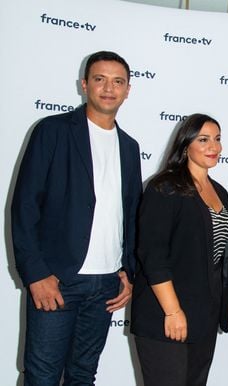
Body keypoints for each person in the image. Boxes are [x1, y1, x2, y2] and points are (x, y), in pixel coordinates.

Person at [11, 51, 142, 385]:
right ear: (85, 85)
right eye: (100, 79)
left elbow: (128, 215)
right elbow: (24, 206)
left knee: (83, 376)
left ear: (128, 90)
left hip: (105, 285)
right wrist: (37, 273)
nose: (109, 88)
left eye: (118, 82)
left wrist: (127, 270)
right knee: (42, 377)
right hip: (57, 280)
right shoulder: (52, 131)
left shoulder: (129, 147)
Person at [130, 113, 228, 386]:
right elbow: (153, 255)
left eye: (217, 139)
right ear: (186, 144)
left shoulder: (219, 192)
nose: (213, 146)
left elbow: (220, 256)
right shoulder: (165, 187)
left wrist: (227, 301)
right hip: (165, 315)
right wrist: (173, 311)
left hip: (205, 315)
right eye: (203, 139)